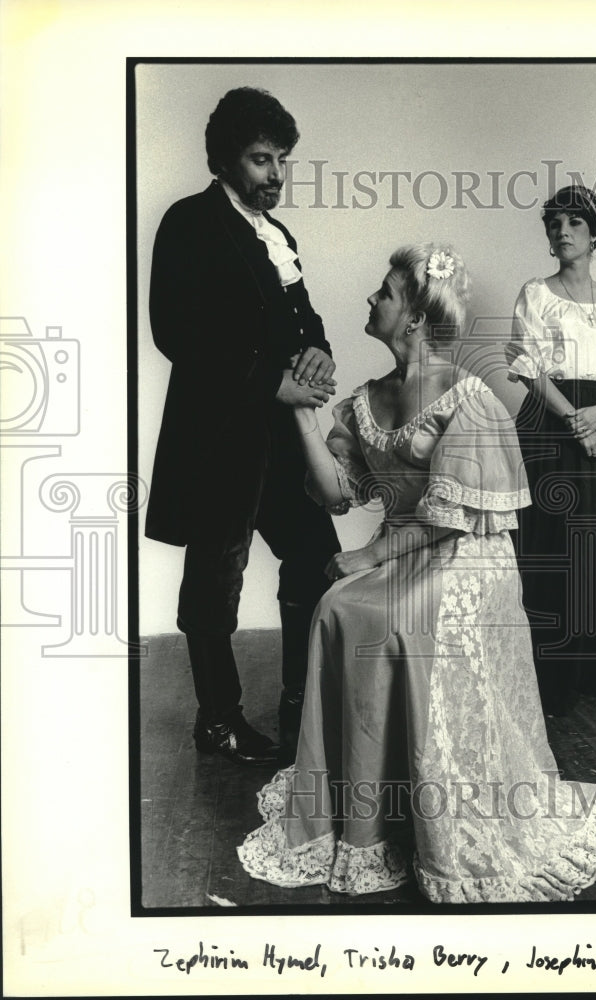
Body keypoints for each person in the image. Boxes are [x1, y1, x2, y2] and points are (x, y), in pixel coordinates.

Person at [237, 243, 596, 903]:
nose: (372, 301)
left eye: (385, 293)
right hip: (405, 547)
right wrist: (304, 420)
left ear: (417, 317)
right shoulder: (371, 397)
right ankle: (368, 807)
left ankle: (430, 807)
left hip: (467, 555)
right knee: (338, 607)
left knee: (388, 616)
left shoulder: (469, 396)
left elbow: (456, 518)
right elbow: (336, 492)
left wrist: (369, 556)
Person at [145, 87, 341, 766]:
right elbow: (176, 333)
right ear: (226, 159)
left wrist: (318, 348)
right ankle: (218, 719)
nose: (275, 175)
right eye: (262, 160)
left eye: (281, 160)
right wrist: (269, 381)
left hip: (280, 437)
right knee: (215, 580)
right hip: (218, 435)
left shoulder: (277, 235)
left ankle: (300, 696)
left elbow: (301, 316)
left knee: (315, 560)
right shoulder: (189, 223)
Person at [507, 185, 596, 716]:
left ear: (594, 234)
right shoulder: (536, 295)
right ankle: (552, 679)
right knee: (555, 542)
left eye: (574, 223)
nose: (562, 232)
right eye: (554, 224)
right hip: (552, 422)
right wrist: (574, 420)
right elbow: (530, 367)